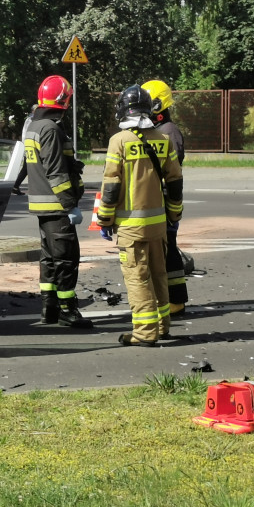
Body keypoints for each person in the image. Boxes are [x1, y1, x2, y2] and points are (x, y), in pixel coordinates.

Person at [98, 85, 183, 347]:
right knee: (159, 275)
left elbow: (111, 186)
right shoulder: (163, 139)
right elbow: (175, 181)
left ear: (123, 110)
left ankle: (145, 333)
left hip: (131, 228)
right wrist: (174, 214)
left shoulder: (119, 141)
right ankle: (162, 326)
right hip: (158, 225)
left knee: (137, 278)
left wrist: (105, 219)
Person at [24, 75, 92, 329]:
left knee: (49, 259)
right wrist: (70, 205)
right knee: (66, 259)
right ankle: (68, 311)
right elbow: (56, 172)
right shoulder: (51, 129)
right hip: (56, 206)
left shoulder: (34, 126)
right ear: (63, 100)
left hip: (43, 206)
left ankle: (49, 308)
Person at [144, 79, 187, 315]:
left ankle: (177, 300)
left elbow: (171, 170)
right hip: (159, 202)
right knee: (164, 251)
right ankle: (169, 298)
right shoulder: (161, 131)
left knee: (169, 251)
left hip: (165, 202)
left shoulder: (168, 132)